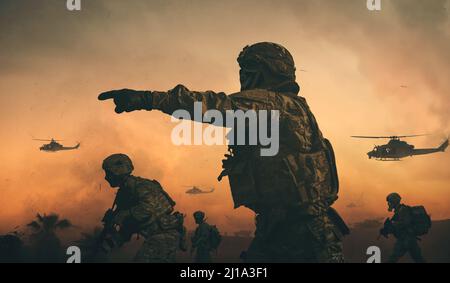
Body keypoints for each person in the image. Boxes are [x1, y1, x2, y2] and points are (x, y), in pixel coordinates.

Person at [98, 42, 348, 262]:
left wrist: (147, 99)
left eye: (248, 70)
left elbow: (216, 106)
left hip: (305, 234)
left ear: (267, 70)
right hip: (279, 230)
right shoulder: (285, 109)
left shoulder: (274, 103)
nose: (243, 76)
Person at [100, 153, 186, 262]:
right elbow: (128, 227)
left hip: (164, 236)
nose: (106, 177)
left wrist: (123, 214)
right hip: (158, 238)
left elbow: (148, 209)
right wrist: (110, 242)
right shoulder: (125, 191)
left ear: (118, 171)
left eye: (108, 173)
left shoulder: (141, 186)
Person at [379, 192, 427, 263]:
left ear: (394, 202)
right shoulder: (399, 211)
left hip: (405, 239)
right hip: (410, 239)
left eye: (389, 202)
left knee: (393, 258)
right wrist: (387, 230)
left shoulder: (402, 210)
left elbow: (405, 223)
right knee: (418, 259)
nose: (388, 204)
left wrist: (393, 225)